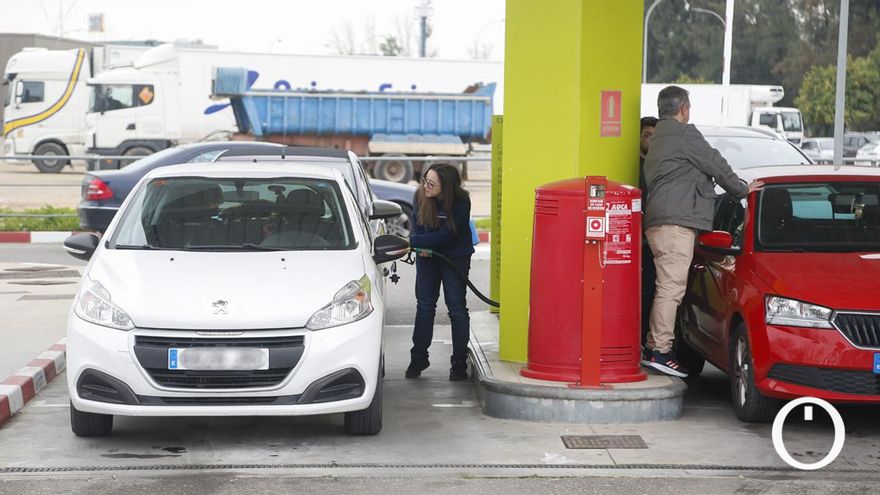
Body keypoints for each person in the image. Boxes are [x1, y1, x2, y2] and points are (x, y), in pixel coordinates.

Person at [643, 85, 763, 378]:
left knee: (666, 286)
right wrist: (742, 189)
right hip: (675, 225)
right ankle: (660, 350)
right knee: (671, 288)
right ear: (684, 109)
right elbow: (715, 163)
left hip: (659, 222)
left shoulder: (659, 138)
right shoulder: (684, 134)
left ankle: (653, 346)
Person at [406, 163, 475, 381]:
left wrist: (415, 242)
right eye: (425, 180)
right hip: (427, 258)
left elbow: (448, 234)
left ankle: (459, 363)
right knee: (425, 306)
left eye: (431, 183)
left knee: (456, 307)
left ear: (446, 187)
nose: (426, 186)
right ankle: (418, 358)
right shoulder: (420, 196)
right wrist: (419, 246)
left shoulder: (461, 201)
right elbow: (418, 227)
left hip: (455, 257)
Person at [638, 116, 659, 351]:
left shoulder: (662, 165)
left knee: (653, 291)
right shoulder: (633, 166)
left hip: (654, 240)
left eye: (655, 136)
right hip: (638, 241)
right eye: (647, 135)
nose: (651, 140)